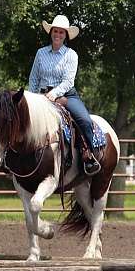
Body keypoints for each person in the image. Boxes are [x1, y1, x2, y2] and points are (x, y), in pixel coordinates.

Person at [28, 15, 101, 175]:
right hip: (41, 97)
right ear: (51, 32)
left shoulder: (71, 55)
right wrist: (33, 99)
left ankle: (89, 155)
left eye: (61, 32)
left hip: (66, 96)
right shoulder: (40, 53)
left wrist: (53, 94)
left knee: (84, 120)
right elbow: (34, 78)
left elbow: (68, 81)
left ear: (66, 35)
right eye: (55, 31)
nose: (58, 35)